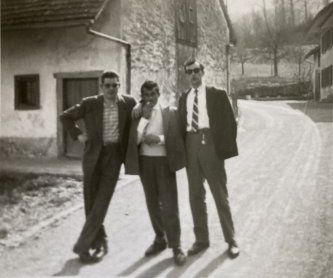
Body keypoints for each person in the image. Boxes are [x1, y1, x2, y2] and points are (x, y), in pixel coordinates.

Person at [60, 70, 136, 263]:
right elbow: (65, 117)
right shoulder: (90, 103)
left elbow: (141, 116)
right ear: (101, 87)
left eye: (115, 85)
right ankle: (101, 240)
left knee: (101, 202)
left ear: (120, 85)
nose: (111, 89)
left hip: (113, 157)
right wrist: (78, 135)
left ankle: (83, 246)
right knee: (91, 203)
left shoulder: (129, 103)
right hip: (92, 157)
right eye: (107, 85)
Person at [178, 58, 240, 259]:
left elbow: (230, 123)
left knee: (219, 194)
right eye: (189, 72)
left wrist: (223, 149)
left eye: (196, 70)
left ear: (203, 72)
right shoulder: (184, 97)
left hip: (210, 143)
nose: (193, 75)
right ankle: (201, 240)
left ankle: (231, 240)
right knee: (195, 195)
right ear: (186, 75)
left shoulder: (217, 94)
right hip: (190, 144)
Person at [125, 80, 187, 266]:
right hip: (145, 162)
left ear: (158, 94)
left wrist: (159, 139)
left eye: (153, 94)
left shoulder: (169, 112)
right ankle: (160, 238)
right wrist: (143, 118)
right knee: (152, 204)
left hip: (164, 162)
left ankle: (176, 246)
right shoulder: (137, 114)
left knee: (169, 204)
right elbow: (134, 140)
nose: (150, 98)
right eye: (146, 95)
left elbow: (175, 138)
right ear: (142, 96)